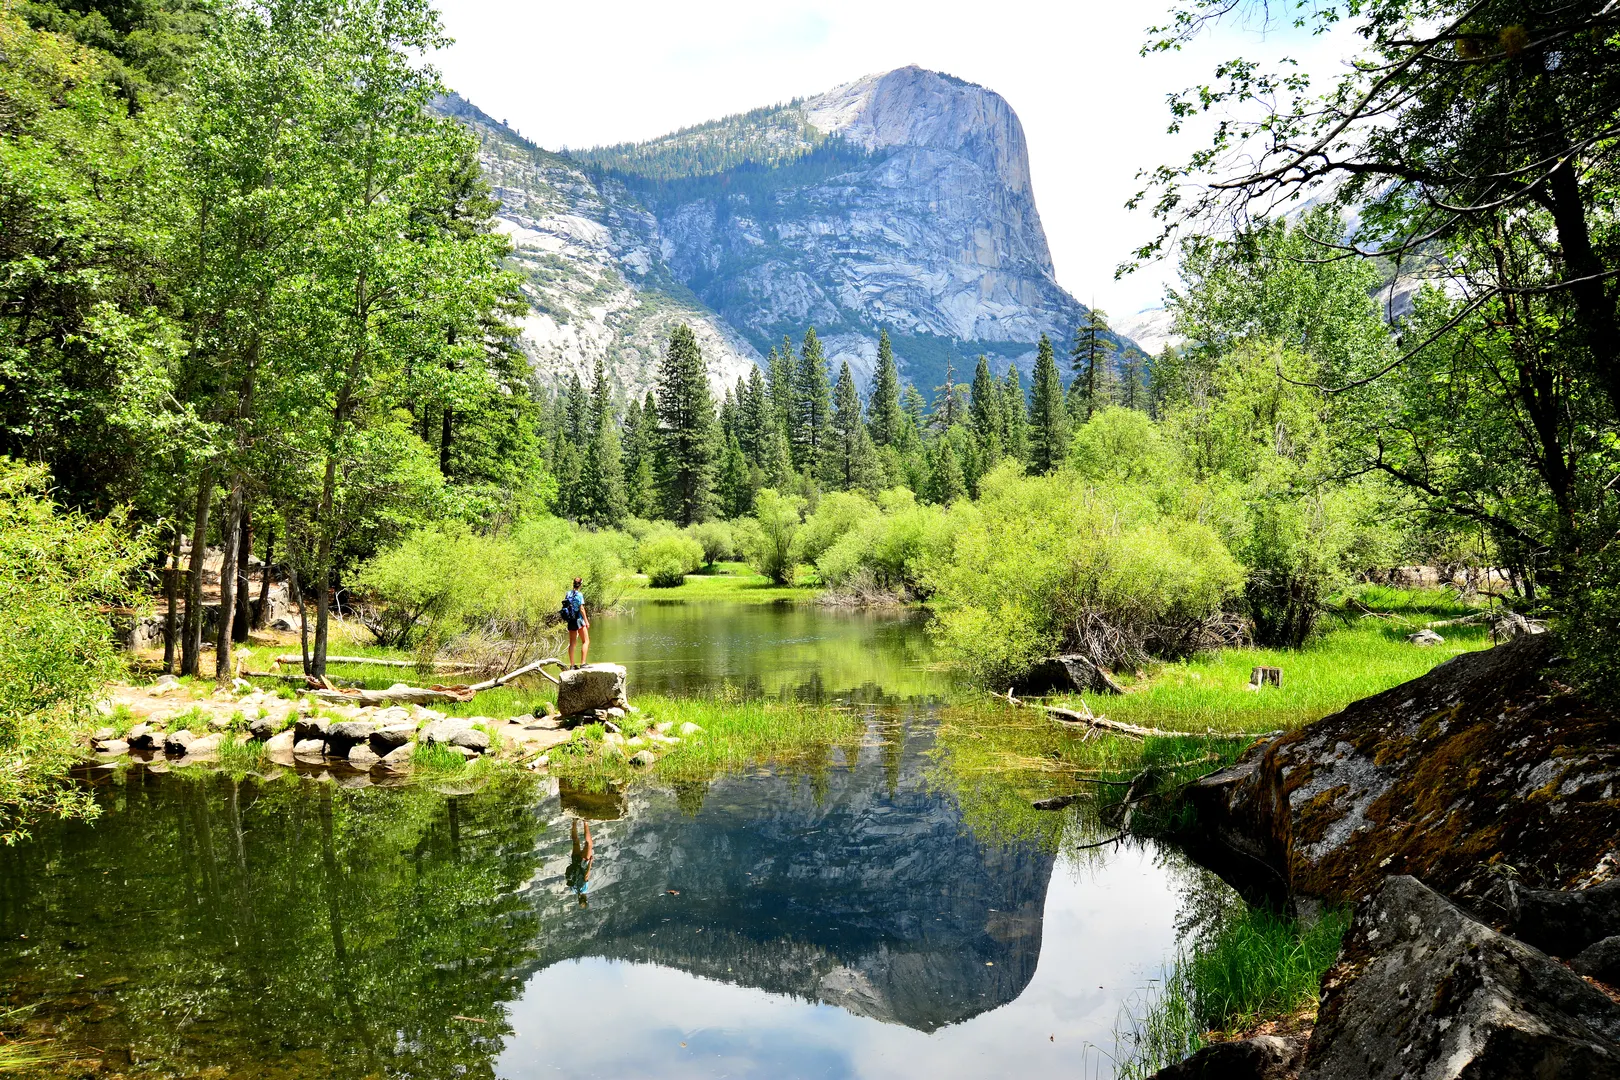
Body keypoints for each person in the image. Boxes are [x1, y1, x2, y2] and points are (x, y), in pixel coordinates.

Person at [562, 576, 589, 668]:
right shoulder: (579, 595)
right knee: (586, 641)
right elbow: (581, 608)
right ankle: (583, 663)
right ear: (580, 585)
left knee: (572, 643)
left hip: (571, 620)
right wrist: (586, 621)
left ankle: (572, 665)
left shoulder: (568, 593)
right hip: (579, 619)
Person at [566, 818, 594, 907]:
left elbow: (586, 876)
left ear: (585, 898)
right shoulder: (573, 890)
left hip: (583, 862)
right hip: (575, 861)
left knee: (589, 844)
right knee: (575, 841)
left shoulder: (584, 889)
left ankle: (585, 822)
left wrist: (590, 863)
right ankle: (574, 821)